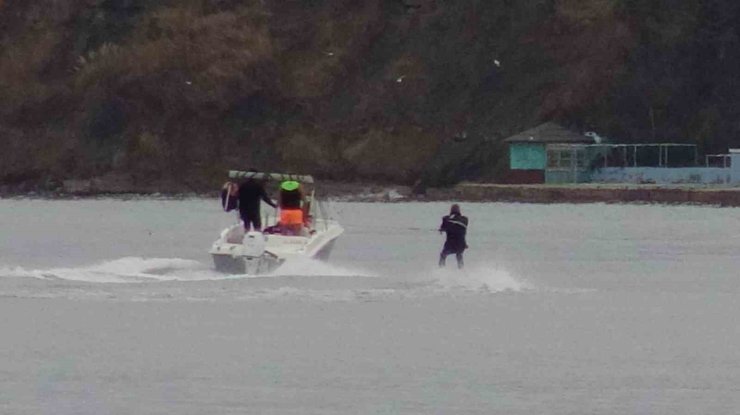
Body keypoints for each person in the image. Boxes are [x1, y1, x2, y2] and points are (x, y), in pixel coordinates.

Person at [438, 204, 468, 269]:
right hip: (461, 244)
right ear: (459, 210)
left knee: (443, 255)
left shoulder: (446, 219)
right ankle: (461, 269)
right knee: (459, 255)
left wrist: (441, 229)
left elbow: (443, 227)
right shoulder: (465, 219)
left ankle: (441, 269)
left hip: (450, 243)